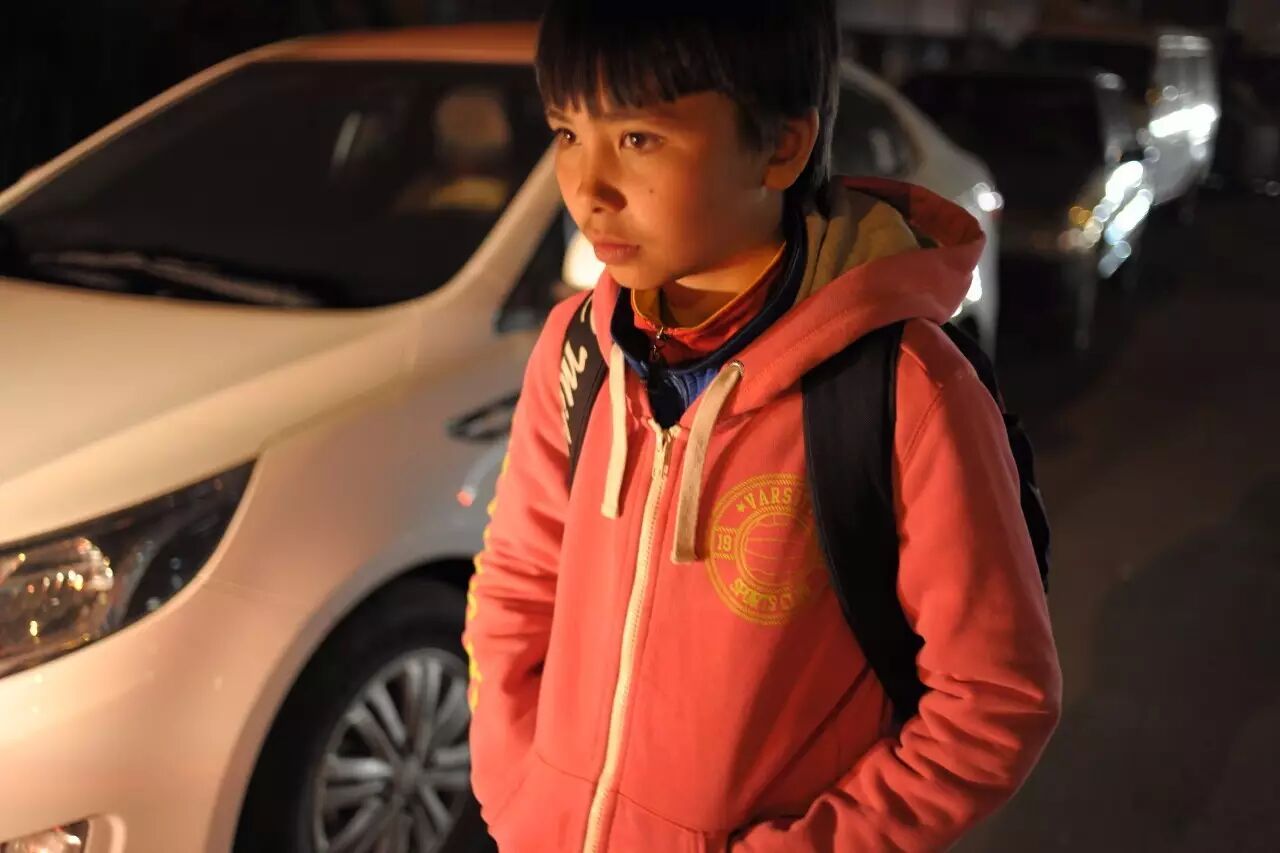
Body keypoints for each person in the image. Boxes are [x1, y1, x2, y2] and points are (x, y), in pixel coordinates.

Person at [463, 1, 1062, 849]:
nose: (588, 189)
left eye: (638, 138)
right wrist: (518, 797)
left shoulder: (903, 388)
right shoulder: (580, 350)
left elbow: (993, 698)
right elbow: (518, 584)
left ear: (782, 145)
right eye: (567, 133)